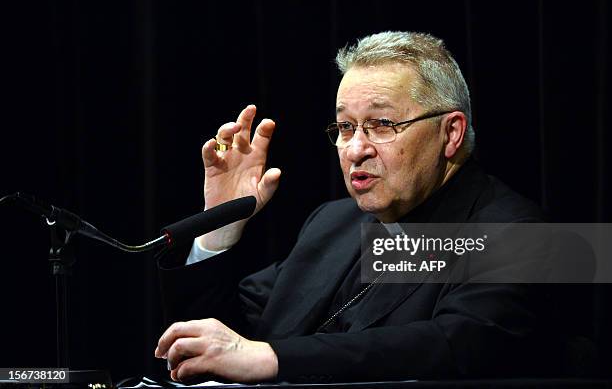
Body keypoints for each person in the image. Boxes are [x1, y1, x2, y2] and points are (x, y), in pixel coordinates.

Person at [154, 31, 544, 383]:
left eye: (382, 124)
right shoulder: (332, 223)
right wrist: (217, 230)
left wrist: (271, 358)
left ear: (451, 132)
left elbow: (457, 346)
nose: (356, 149)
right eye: (345, 127)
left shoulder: (527, 234)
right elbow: (222, 345)